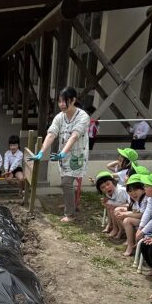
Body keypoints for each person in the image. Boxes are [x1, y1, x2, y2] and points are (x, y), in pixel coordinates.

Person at [31, 86, 91, 223]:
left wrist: (63, 153)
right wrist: (41, 152)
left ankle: (70, 214)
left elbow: (74, 136)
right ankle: (71, 204)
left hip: (76, 155)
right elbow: (51, 134)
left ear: (73, 100)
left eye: (65, 101)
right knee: (66, 182)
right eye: (59, 101)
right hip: (63, 156)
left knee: (66, 183)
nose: (62, 104)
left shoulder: (83, 116)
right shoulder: (60, 117)